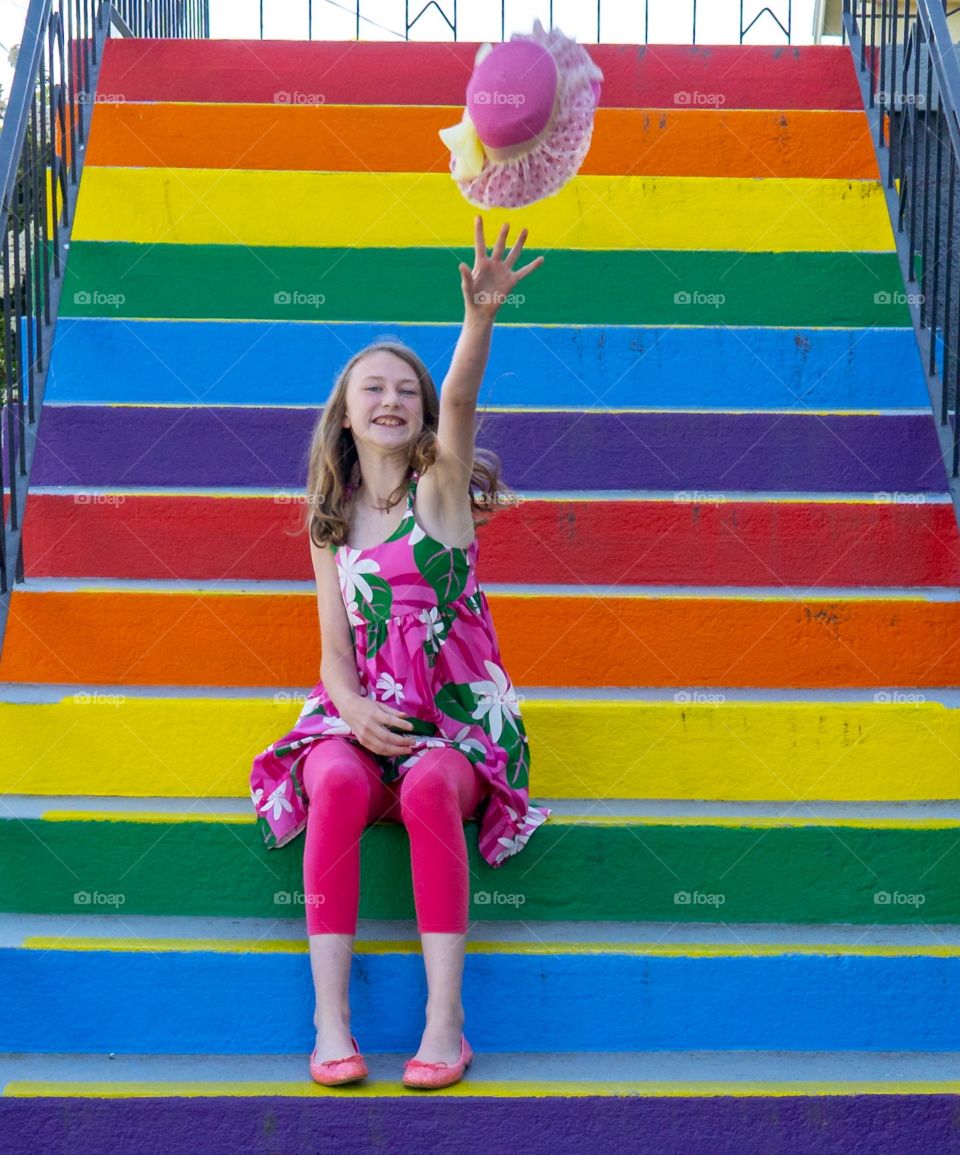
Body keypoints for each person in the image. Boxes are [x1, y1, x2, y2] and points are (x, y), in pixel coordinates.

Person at [249, 215, 550, 1089]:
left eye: (404, 391)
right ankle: (331, 1020)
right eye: (371, 388)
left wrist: (480, 318)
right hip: (357, 720)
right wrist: (347, 710)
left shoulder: (441, 492)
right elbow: (332, 649)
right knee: (336, 780)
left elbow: (461, 402)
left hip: (449, 730)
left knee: (424, 788)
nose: (390, 400)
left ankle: (444, 1020)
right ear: (345, 412)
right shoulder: (330, 517)